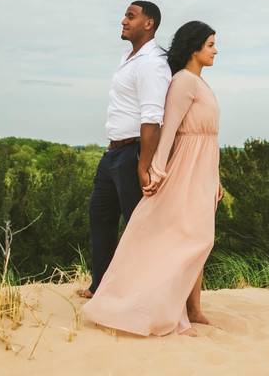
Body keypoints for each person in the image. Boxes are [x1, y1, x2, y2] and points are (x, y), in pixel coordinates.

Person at [82, 21, 223, 336]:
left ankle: (194, 308)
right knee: (189, 238)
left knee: (200, 239)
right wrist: (156, 170)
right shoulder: (183, 82)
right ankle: (163, 305)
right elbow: (169, 129)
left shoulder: (201, 84)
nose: (216, 50)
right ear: (195, 47)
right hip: (185, 171)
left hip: (203, 171)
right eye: (211, 44)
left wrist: (217, 179)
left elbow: (211, 140)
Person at [76, 1, 172, 299]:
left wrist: (144, 165)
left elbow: (152, 117)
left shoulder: (152, 63)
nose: (123, 21)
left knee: (139, 226)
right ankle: (102, 287)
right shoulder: (129, 57)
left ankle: (149, 294)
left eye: (131, 16)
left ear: (149, 23)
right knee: (100, 217)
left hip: (134, 153)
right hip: (112, 154)